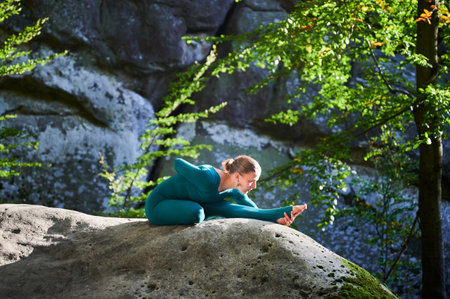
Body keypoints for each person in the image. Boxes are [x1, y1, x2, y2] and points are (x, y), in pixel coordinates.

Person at [145, 155, 307, 226]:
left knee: (228, 208)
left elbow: (252, 211)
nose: (254, 186)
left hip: (192, 203)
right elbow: (178, 163)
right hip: (159, 205)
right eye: (251, 181)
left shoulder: (232, 190)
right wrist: (196, 177)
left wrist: (275, 219)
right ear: (237, 177)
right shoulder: (208, 178)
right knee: (198, 213)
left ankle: (282, 213)